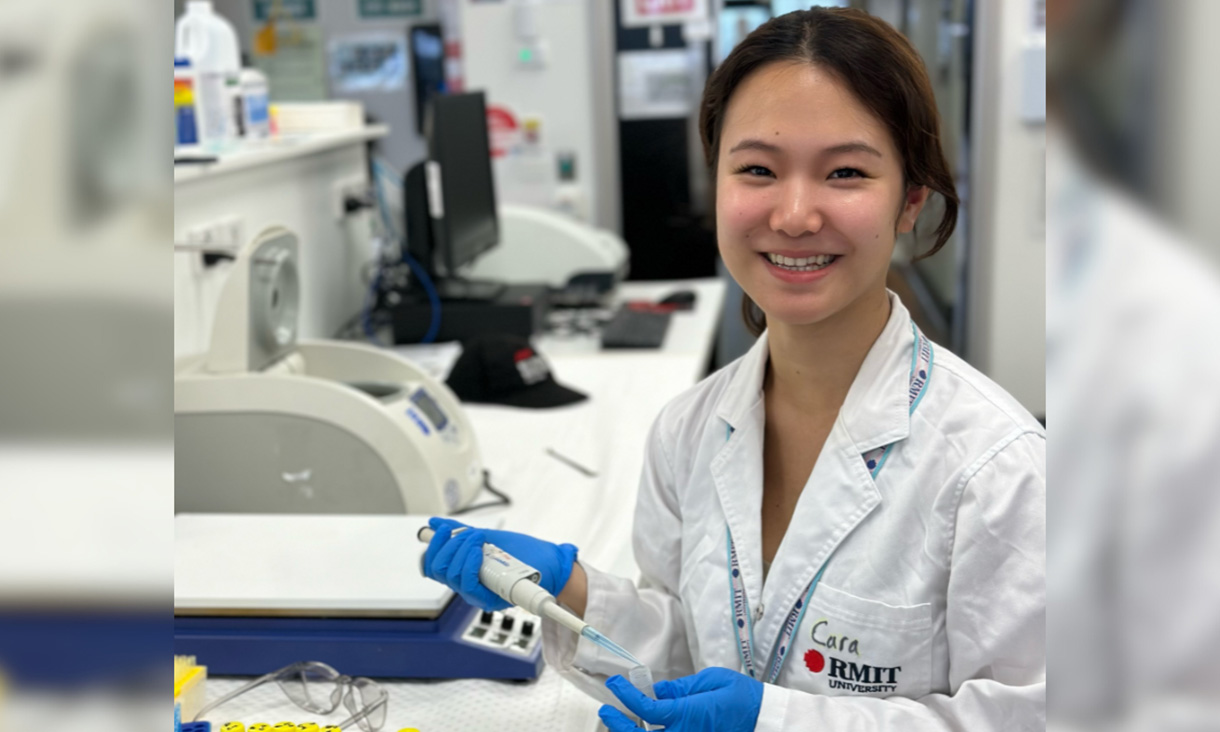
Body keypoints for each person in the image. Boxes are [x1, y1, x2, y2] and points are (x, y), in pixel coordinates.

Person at [424, 7, 1045, 730]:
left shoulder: (995, 471)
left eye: (845, 171)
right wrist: (573, 590)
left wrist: (773, 723)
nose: (794, 214)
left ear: (910, 200)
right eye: (757, 169)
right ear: (716, 183)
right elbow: (698, 643)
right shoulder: (687, 432)